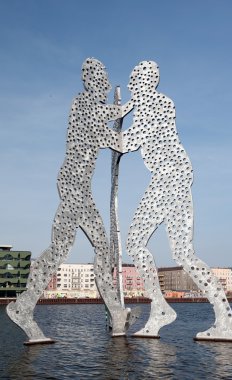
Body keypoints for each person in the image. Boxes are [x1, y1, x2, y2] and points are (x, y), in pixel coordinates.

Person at [7, 58, 133, 342]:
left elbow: (110, 126)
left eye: (104, 81)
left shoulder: (92, 107)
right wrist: (127, 109)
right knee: (71, 248)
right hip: (73, 184)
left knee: (91, 249)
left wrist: (122, 114)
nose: (102, 85)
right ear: (90, 81)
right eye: (100, 80)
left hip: (80, 188)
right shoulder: (83, 104)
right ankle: (24, 307)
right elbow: (112, 135)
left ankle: (115, 314)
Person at [121, 60, 232, 340]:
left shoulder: (155, 104)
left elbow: (130, 141)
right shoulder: (152, 104)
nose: (130, 86)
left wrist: (101, 135)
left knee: (135, 243)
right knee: (183, 254)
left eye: (133, 81)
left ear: (144, 82)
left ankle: (160, 307)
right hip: (176, 177)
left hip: (169, 178)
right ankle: (226, 320)